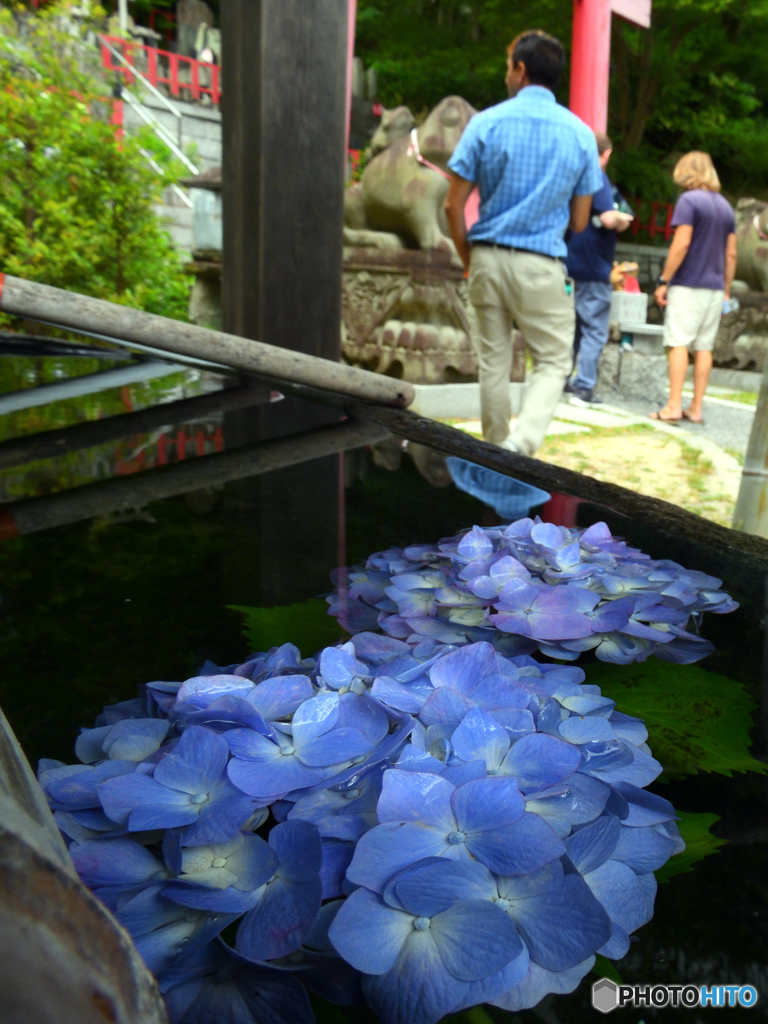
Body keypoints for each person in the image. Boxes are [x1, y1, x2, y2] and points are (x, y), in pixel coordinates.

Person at [444, 30, 602, 456]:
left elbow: (451, 207)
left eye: (508, 66)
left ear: (520, 69)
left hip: (487, 258)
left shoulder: (485, 123)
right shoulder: (581, 135)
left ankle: (496, 450)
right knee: (553, 360)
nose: (506, 75)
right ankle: (525, 441)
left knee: (494, 362)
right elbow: (581, 219)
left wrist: (468, 258)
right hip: (541, 263)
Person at [650, 151, 737, 424]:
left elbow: (682, 243)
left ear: (686, 171)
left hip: (689, 284)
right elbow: (731, 254)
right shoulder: (725, 206)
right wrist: (725, 290)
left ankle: (673, 406)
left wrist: (664, 279)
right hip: (714, 288)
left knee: (678, 343)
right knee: (704, 348)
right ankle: (695, 408)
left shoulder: (689, 201)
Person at [565, 132, 634, 406]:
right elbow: (607, 217)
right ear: (606, 154)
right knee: (595, 328)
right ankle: (584, 387)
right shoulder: (597, 176)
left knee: (573, 327)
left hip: (568, 259)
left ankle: (562, 379)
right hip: (593, 264)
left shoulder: (571, 174)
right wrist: (622, 219)